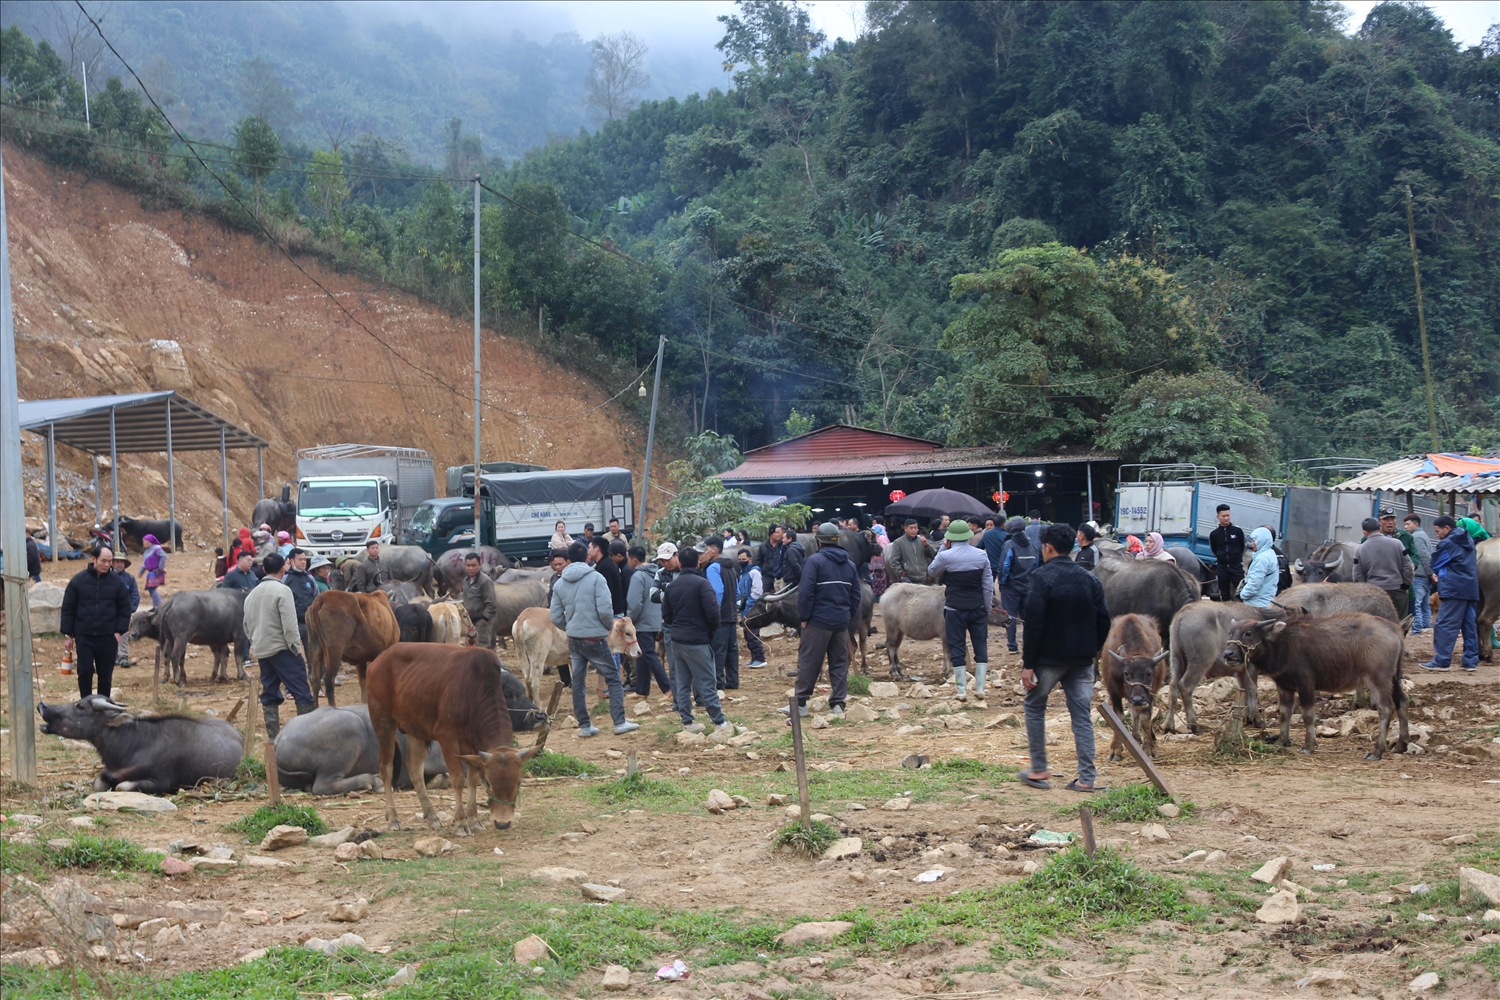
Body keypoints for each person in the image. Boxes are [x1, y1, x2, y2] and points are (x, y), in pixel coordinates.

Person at [1017, 524, 1111, 792]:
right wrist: (1092, 649)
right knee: (1081, 715)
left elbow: (1034, 624)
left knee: (1035, 707)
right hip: (1082, 660)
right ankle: (1086, 779)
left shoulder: (1041, 578)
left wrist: (1029, 665)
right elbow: (1104, 619)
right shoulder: (1089, 579)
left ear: (1047, 547)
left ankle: (1039, 769)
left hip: (1049, 659)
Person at [550, 542, 638, 737]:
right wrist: (606, 628)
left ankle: (585, 725)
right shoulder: (597, 579)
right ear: (587, 558)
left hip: (574, 639)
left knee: (578, 682)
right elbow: (606, 611)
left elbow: (555, 616)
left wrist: (571, 627)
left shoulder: (560, 583)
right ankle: (619, 722)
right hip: (595, 638)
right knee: (613, 679)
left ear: (568, 560)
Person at [781, 523, 860, 720]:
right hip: (840, 622)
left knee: (809, 661)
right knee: (839, 663)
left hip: (818, 621)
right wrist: (846, 615)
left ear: (819, 542)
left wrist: (804, 617)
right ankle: (838, 705)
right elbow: (856, 595)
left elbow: (806, 592)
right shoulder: (849, 564)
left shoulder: (814, 561)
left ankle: (800, 704)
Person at [242, 552, 317, 739]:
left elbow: (246, 625)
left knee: (269, 693)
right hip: (283, 650)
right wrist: (295, 648)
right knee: (302, 693)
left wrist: (256, 643)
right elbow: (289, 623)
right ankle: (306, 736)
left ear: (264, 570)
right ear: (283, 568)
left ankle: (273, 736)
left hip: (263, 650)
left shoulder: (252, 595)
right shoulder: (283, 590)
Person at [662, 546, 729, 733]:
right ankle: (720, 723)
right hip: (698, 641)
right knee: (707, 682)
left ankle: (688, 722)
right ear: (698, 562)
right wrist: (710, 630)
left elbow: (666, 616)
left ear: (680, 563)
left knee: (682, 683)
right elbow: (713, 613)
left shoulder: (671, 587)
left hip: (677, 640)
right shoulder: (702, 584)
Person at [926, 519, 993, 702]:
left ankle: (961, 690)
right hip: (977, 607)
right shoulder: (981, 555)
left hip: (954, 608)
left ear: (949, 538)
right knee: (980, 645)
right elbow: (987, 586)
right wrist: (986, 608)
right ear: (968, 536)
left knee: (957, 646)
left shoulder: (946, 556)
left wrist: (942, 549)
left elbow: (932, 572)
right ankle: (980, 688)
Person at [60, 546, 132, 700]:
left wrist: (118, 632)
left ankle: (103, 707)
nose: (107, 565)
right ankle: (86, 704)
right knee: (85, 671)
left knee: (105, 675)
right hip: (84, 635)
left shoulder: (117, 583)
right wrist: (68, 634)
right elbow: (68, 608)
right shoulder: (78, 581)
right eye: (103, 561)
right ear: (94, 559)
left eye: (110, 561)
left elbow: (124, 609)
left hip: (108, 636)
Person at [1421, 516, 1480, 671]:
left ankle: (1442, 660)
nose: (1436, 534)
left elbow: (1435, 562)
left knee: (1445, 624)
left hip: (1454, 589)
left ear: (1446, 528)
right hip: (1470, 588)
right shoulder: (1468, 540)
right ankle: (1470, 661)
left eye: (1437, 531)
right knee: (1469, 625)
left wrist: (1439, 572)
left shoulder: (1448, 543)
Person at [625, 546, 671, 697]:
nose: (627, 562)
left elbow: (634, 603)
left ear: (635, 560)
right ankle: (642, 690)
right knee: (642, 656)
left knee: (649, 654)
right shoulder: (656, 574)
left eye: (628, 559)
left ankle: (668, 688)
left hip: (642, 621)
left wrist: (630, 620)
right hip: (655, 619)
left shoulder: (638, 576)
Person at [701, 536, 741, 690]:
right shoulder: (730, 567)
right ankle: (733, 680)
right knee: (732, 650)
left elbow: (717, 592)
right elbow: (737, 593)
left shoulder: (713, 568)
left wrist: (713, 614)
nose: (705, 552)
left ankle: (718, 682)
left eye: (706, 549)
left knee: (718, 650)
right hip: (731, 615)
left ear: (714, 550)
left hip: (721, 617)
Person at [1353, 516, 1412, 618]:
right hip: (1397, 591)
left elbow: (1357, 575)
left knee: (1376, 626)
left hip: (1373, 594)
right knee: (1400, 625)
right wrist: (1406, 585)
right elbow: (1408, 566)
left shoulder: (1360, 550)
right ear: (1380, 528)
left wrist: (1363, 593)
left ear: (1365, 533)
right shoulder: (1397, 544)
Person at [997, 516, 1037, 653]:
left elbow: (1005, 566)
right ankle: (1030, 645)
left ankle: (1012, 646)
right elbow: (1036, 565)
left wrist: (1002, 582)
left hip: (1012, 586)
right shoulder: (1032, 545)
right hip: (1028, 585)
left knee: (1011, 616)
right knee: (1027, 617)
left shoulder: (1009, 545)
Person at [736, 546, 768, 668]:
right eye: (739, 559)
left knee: (753, 634)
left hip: (753, 608)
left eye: (743, 559)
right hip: (745, 608)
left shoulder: (754, 572)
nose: (741, 561)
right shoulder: (742, 574)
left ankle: (760, 658)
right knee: (747, 635)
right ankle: (754, 658)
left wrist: (750, 604)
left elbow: (757, 591)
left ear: (750, 559)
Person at [283, 548, 320, 651]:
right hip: (294, 625)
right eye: (300, 559)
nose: (303, 562)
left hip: (310, 623)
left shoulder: (310, 578)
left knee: (313, 654)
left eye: (304, 559)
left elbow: (316, 597)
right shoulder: (285, 579)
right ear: (291, 561)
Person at [1208, 504, 1245, 602]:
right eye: (1223, 516)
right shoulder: (1214, 534)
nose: (1226, 518)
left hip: (1236, 566)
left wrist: (1235, 557)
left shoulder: (1237, 531)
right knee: (1224, 595)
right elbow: (1214, 549)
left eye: (1228, 515)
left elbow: (1242, 547)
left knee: (1241, 593)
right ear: (1218, 517)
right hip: (1222, 567)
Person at [1405, 514, 1434, 633]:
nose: (1405, 527)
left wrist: (1430, 573)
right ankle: (1426, 626)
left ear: (1416, 524)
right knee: (1425, 604)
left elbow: (1423, 556)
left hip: (1420, 575)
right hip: (1426, 576)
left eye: (1408, 524)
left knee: (1416, 602)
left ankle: (1416, 629)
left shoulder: (1416, 537)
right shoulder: (1423, 535)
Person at [886, 518, 936, 585]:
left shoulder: (922, 541)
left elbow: (932, 555)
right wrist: (901, 574)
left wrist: (926, 546)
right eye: (911, 528)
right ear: (905, 529)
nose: (913, 530)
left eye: (915, 528)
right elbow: (893, 560)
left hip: (923, 578)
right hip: (908, 579)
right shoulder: (898, 542)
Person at [111, 553, 139, 668]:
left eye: (121, 562)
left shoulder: (130, 579)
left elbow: (135, 596)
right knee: (109, 635)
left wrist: (130, 610)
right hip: (110, 613)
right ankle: (112, 657)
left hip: (124, 613)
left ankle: (123, 657)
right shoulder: (107, 577)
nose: (119, 564)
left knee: (123, 634)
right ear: (112, 563)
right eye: (117, 562)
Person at [1239, 527, 1279, 607]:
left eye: (1254, 541)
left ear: (1262, 541)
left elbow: (1255, 583)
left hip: (1256, 605)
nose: (1252, 543)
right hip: (1266, 602)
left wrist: (1243, 594)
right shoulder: (1270, 553)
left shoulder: (1262, 559)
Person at [139, 533, 167, 608]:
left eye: (145, 541)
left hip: (156, 571)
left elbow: (163, 556)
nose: (143, 543)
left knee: (151, 588)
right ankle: (155, 607)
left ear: (150, 541)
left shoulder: (156, 548)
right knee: (150, 589)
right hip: (150, 573)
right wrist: (140, 572)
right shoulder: (146, 552)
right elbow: (144, 564)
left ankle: (160, 605)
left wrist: (161, 567)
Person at [778, 524, 806, 589]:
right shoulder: (798, 548)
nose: (782, 540)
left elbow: (794, 564)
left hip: (792, 580)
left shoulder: (791, 550)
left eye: (784, 538)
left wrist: (801, 576)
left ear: (790, 539)